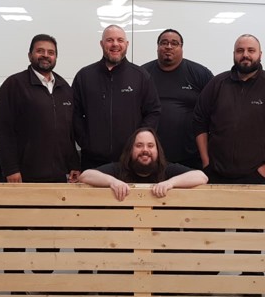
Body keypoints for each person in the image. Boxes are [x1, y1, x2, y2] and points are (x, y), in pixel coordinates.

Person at [194, 34, 265, 184]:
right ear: (234, 54)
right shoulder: (217, 84)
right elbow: (199, 122)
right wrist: (206, 162)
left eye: (251, 50)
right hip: (215, 174)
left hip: (257, 176)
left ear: (260, 55)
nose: (245, 55)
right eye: (240, 50)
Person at [0, 34, 80, 183]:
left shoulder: (64, 88)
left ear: (56, 58)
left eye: (51, 52)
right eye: (40, 51)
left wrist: (74, 164)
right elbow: (2, 129)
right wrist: (11, 169)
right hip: (24, 175)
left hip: (59, 175)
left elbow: (69, 133)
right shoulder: (14, 85)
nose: (46, 55)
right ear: (30, 55)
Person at [72, 25, 161, 170]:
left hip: (130, 162)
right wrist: (86, 141)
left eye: (120, 40)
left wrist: (138, 143)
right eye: (109, 40)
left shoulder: (141, 76)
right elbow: (74, 113)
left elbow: (153, 111)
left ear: (127, 44)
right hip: (92, 161)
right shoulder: (84, 76)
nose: (115, 44)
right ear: (102, 44)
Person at [142, 28, 213, 169]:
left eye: (174, 43)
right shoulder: (143, 74)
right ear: (157, 47)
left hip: (191, 156)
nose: (169, 46)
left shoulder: (200, 74)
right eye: (164, 43)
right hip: (150, 156)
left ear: (181, 47)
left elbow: (214, 112)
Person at [78, 127, 208, 201]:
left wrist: (170, 183)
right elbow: (86, 175)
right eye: (139, 145)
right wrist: (113, 182)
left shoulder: (166, 169)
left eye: (150, 145)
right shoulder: (120, 169)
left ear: (157, 150)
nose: (145, 150)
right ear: (131, 149)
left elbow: (202, 177)